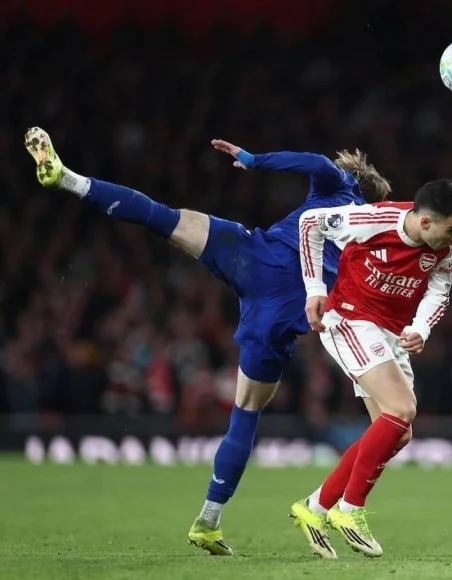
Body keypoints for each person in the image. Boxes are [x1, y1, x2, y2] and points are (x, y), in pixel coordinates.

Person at [23, 127, 391, 555]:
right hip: (284, 312)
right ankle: (208, 522)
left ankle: (70, 178)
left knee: (162, 216)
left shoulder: (341, 188)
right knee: (246, 411)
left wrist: (255, 160)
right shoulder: (375, 233)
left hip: (256, 258)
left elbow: (316, 162)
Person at [287, 180, 452, 558]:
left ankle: (315, 507)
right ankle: (350, 510)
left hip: (391, 332)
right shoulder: (374, 219)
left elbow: (440, 288)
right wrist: (314, 289)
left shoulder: (451, 240)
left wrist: (420, 328)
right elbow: (309, 224)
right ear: (423, 222)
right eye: (450, 228)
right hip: (349, 319)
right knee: (402, 409)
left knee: (397, 433)